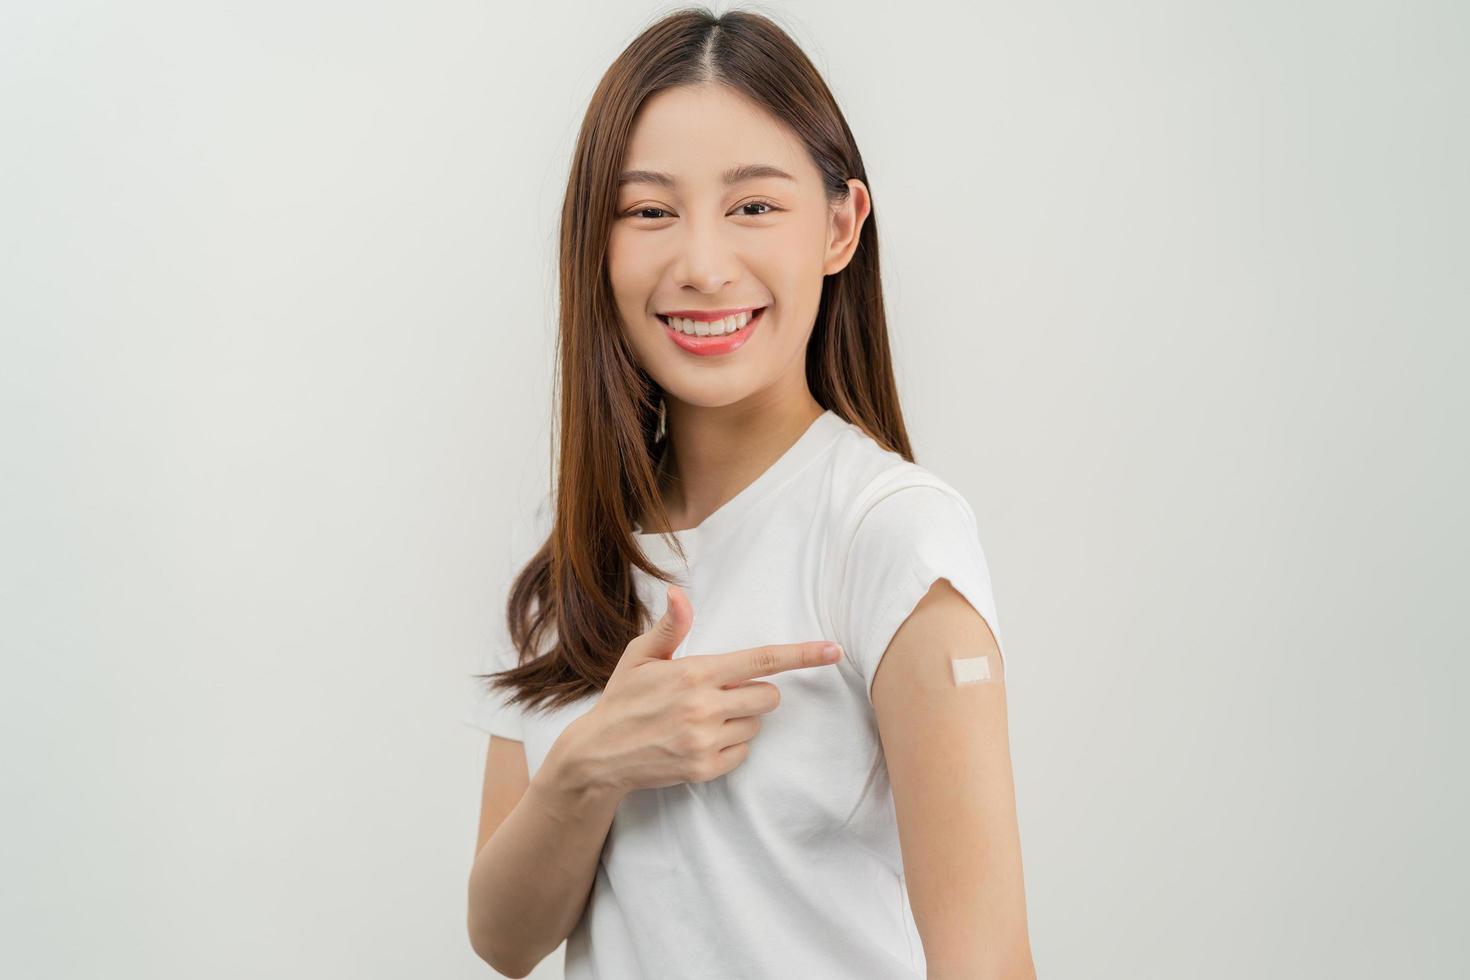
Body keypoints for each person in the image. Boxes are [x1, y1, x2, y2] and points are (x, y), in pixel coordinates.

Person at [464, 8, 1035, 978]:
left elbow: (986, 964)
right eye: (649, 211)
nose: (701, 264)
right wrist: (591, 759)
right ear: (594, 244)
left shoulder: (890, 534)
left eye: (754, 206)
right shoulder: (573, 547)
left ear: (840, 226)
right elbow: (505, 937)